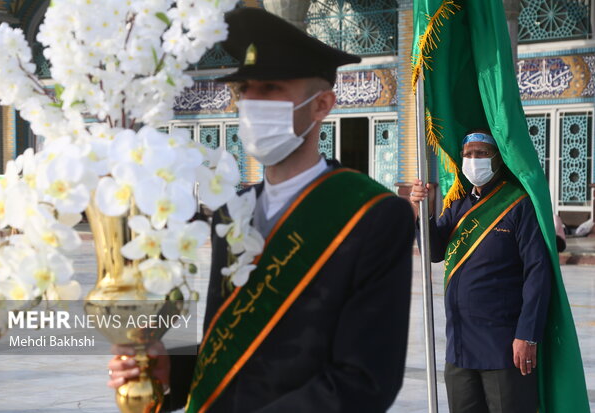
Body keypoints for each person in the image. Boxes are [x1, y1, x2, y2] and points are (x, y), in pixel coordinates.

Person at [108, 8, 414, 413]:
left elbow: (365, 380)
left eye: (270, 88)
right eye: (245, 89)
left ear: (321, 105)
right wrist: (170, 370)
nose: (251, 102)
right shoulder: (232, 211)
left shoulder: (374, 215)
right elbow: (232, 343)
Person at [410, 131, 552, 413]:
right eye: (468, 154)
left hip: (504, 348)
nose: (473, 160)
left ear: (498, 159)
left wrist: (527, 335)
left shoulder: (517, 204)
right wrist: (420, 209)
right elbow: (435, 252)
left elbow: (538, 273)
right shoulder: (458, 204)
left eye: (481, 154)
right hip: (460, 346)